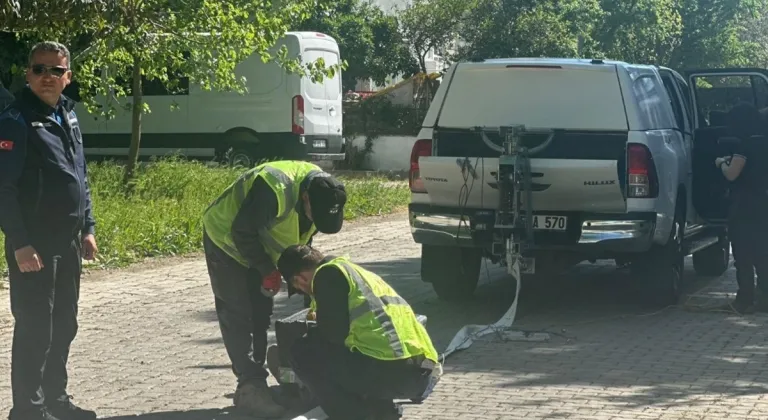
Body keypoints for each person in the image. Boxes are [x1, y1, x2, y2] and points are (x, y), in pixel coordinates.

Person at [201, 160, 347, 417]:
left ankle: (279, 374)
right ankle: (250, 387)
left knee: (261, 310)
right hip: (226, 240)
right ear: (305, 199)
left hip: (256, 244)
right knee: (237, 311)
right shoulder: (275, 188)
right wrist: (266, 269)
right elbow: (242, 231)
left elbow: (300, 243)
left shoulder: (324, 194)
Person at [0, 42, 98, 420]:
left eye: (56, 71)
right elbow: (4, 188)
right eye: (39, 69)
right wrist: (20, 243)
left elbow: (80, 175)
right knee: (35, 328)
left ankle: (56, 400)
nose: (47, 77)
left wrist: (88, 226)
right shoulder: (15, 120)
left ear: (67, 77)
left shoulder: (68, 115)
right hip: (34, 244)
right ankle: (28, 409)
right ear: (28, 74)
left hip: (68, 240)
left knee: (64, 325)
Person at [272, 245, 442, 420]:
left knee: (302, 352)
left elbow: (332, 336)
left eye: (298, 287)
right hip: (418, 371)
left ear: (299, 279)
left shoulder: (328, 275)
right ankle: (382, 412)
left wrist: (312, 331)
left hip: (393, 372)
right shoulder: (354, 272)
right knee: (353, 356)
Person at [716, 102, 768, 314]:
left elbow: (732, 174)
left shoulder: (745, 145)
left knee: (743, 254)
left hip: (744, 205)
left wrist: (721, 162)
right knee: (763, 252)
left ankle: (744, 299)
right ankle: (764, 297)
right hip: (764, 203)